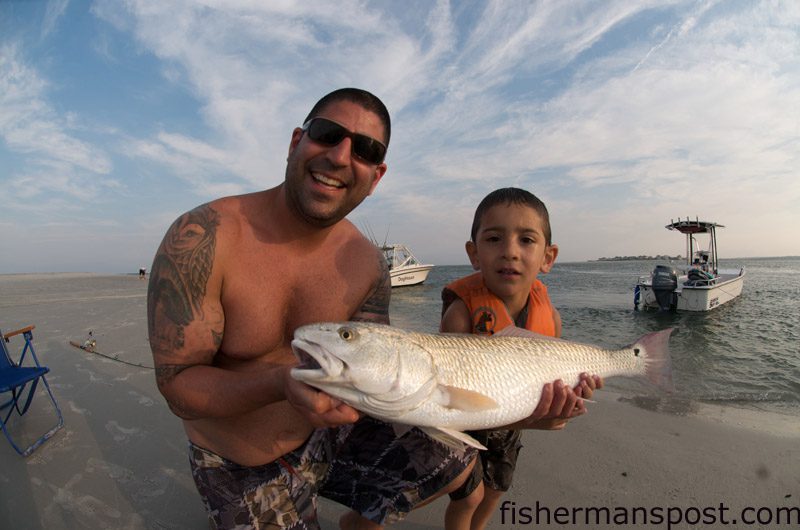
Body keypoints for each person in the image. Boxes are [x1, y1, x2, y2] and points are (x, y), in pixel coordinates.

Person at [147, 88, 483, 529]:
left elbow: (378, 376)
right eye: (327, 134)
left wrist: (516, 402)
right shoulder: (206, 236)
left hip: (329, 436)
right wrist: (279, 383)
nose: (341, 157)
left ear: (376, 175)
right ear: (295, 143)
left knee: (460, 463)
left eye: (365, 150)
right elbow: (177, 388)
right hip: (241, 464)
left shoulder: (368, 265)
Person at [441, 187, 603, 530]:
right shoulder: (460, 314)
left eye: (526, 240)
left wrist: (569, 395)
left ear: (548, 257)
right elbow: (445, 395)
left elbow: (552, 377)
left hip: (513, 427)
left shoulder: (551, 318)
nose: (510, 252)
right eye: (494, 239)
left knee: (496, 490)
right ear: (474, 253)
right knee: (467, 496)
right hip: (468, 426)